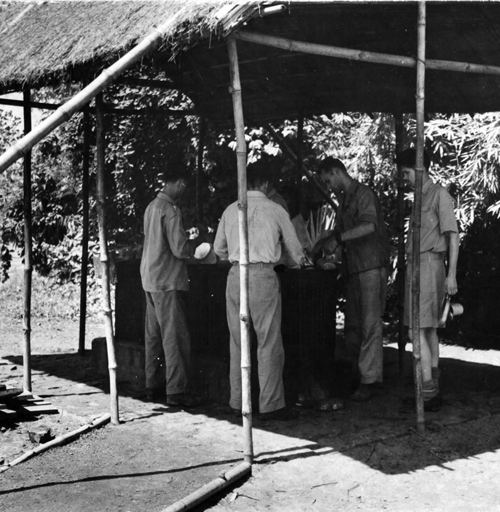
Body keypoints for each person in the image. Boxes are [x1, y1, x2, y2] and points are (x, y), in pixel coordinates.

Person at [213, 162, 305, 421]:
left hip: (234, 276)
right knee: (268, 342)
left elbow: (219, 250)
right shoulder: (275, 209)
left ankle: (238, 401)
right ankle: (271, 404)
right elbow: (297, 253)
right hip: (264, 275)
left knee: (237, 342)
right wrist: (289, 260)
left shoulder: (230, 210)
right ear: (265, 184)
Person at [314, 157, 391, 402]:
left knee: (370, 325)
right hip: (354, 269)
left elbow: (368, 226)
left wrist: (339, 238)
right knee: (354, 327)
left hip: (370, 266)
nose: (328, 186)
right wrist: (325, 240)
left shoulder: (364, 194)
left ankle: (370, 381)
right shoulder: (343, 200)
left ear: (337, 172)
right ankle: (360, 377)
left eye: (328, 180)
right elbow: (340, 233)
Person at [397, 148, 459, 411]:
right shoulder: (419, 198)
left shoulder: (439, 195)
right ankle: (431, 389)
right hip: (417, 265)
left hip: (429, 265)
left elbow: (453, 235)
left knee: (419, 329)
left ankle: (427, 391)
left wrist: (452, 274)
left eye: (408, 172)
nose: (405, 177)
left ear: (420, 169)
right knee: (428, 329)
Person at [140, 161, 204, 408]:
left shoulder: (152, 206)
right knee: (174, 337)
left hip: (150, 278)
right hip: (167, 280)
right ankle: (177, 391)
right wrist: (195, 246)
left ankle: (151, 385)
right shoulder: (171, 210)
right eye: (184, 186)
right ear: (180, 183)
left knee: (153, 337)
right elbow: (179, 249)